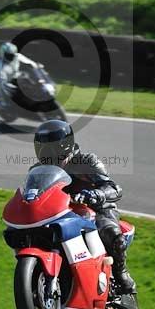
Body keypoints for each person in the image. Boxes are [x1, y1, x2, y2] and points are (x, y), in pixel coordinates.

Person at [33, 119, 135, 294]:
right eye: (41, 147)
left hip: (95, 210)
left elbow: (114, 188)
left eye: (48, 148)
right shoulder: (37, 170)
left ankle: (121, 273)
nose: (44, 153)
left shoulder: (86, 161)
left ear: (64, 146)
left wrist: (96, 194)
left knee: (110, 231)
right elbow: (33, 194)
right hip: (59, 213)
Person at [0, 42, 39, 108]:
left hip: (17, 77)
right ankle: (2, 101)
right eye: (9, 55)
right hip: (8, 83)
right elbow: (2, 79)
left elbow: (29, 62)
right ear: (2, 53)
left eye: (12, 55)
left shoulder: (17, 56)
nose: (11, 57)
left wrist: (36, 66)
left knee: (30, 80)